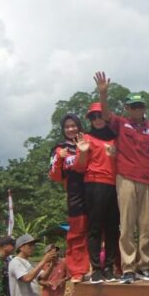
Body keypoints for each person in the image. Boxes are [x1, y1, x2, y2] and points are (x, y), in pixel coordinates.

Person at [94, 72, 149, 284]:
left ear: (144, 108)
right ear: (127, 109)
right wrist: (103, 93)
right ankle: (128, 267)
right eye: (133, 106)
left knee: (146, 226)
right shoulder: (121, 124)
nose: (136, 110)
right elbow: (105, 115)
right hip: (127, 178)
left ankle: (144, 266)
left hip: (148, 179)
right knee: (127, 225)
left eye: (140, 106)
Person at [81, 103, 121, 283]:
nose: (97, 120)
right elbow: (80, 166)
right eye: (93, 117)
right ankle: (96, 267)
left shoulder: (115, 137)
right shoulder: (86, 138)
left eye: (99, 116)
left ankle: (109, 267)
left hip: (115, 185)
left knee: (113, 228)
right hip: (95, 184)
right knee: (95, 228)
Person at [48, 114, 89, 282]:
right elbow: (55, 176)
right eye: (67, 126)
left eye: (74, 125)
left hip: (96, 189)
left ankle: (106, 267)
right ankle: (78, 271)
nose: (71, 129)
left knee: (102, 230)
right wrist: (59, 158)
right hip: (75, 195)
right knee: (77, 233)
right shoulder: (59, 148)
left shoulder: (89, 141)